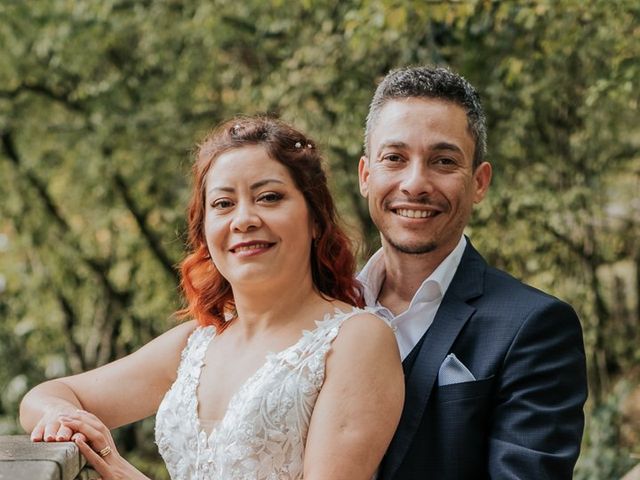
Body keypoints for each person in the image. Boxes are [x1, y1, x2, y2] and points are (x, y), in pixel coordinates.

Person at [20, 116, 404, 480]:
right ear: (204, 231)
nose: (244, 219)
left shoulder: (357, 340)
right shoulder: (195, 344)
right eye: (223, 204)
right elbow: (45, 396)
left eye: (269, 197)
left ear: (315, 219)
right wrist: (61, 416)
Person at [357, 66, 588, 479]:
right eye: (394, 158)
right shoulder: (324, 309)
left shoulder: (535, 326)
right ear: (365, 175)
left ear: (479, 183)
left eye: (443, 161)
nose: (415, 183)